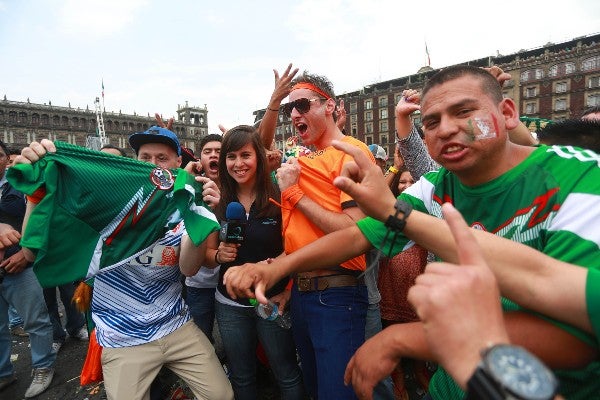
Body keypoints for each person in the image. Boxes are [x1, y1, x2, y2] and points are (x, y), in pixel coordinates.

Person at [224, 65, 600, 400]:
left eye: (464, 112)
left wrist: (404, 337)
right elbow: (360, 236)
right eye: (431, 122)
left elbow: (581, 325)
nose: (446, 128)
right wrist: (277, 269)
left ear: (506, 113)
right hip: (452, 383)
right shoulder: (437, 185)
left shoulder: (579, 177)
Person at [15, 127, 233, 400]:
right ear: (132, 161)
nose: (152, 166)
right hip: (122, 338)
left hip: (176, 326)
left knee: (221, 395)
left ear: (178, 164)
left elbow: (189, 268)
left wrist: (201, 216)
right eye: (145, 158)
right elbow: (32, 253)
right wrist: (37, 195)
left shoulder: (183, 203)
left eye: (162, 159)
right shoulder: (105, 210)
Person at [254, 68, 377, 400]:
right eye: (291, 109)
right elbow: (257, 149)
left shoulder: (351, 152)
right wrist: (291, 286)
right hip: (304, 296)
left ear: (330, 107)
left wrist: (294, 195)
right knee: (314, 391)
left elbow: (355, 231)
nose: (295, 114)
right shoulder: (303, 158)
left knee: (339, 394)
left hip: (335, 296)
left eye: (303, 105)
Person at [210, 125, 304, 400]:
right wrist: (218, 255)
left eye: (245, 155)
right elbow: (205, 255)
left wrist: (287, 289)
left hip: (272, 301)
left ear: (259, 158)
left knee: (285, 371)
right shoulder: (217, 200)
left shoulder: (279, 196)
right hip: (229, 304)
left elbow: (299, 247)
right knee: (241, 374)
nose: (238, 164)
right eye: (231, 156)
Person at [0, 140, 56, 398]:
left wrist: (26, 253)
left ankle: (43, 366)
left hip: (20, 263)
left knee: (36, 320)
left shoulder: (26, 177)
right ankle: (3, 372)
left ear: (7, 159)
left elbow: (44, 212)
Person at [183, 133, 222, 342]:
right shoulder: (190, 188)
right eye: (208, 152)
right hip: (199, 284)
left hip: (227, 284)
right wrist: (184, 175)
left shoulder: (236, 187)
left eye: (219, 151)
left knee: (236, 338)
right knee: (201, 339)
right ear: (200, 159)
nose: (213, 155)